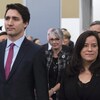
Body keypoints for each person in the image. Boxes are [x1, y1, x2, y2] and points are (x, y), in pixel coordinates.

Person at [0, 3, 49, 100]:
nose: (10, 23)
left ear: (26, 23)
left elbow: (41, 89)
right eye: (7, 18)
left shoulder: (36, 51)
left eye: (15, 19)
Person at [59, 30, 100, 100]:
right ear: (79, 48)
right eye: (85, 45)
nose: (90, 49)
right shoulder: (68, 72)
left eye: (94, 46)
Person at [45, 28, 71, 100]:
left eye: (57, 39)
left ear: (62, 39)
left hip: (62, 94)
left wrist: (52, 91)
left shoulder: (68, 56)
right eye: (52, 39)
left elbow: (67, 78)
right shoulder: (45, 55)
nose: (54, 42)